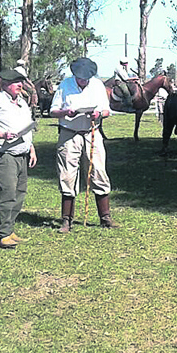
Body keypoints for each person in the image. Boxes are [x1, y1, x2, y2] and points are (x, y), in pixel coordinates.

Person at [50, 57, 116, 233]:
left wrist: (99, 114)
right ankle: (66, 220)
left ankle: (105, 217)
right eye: (80, 78)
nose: (83, 81)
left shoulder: (97, 86)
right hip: (69, 134)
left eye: (86, 78)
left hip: (92, 133)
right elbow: (52, 111)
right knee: (67, 174)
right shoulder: (64, 85)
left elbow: (107, 110)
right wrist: (66, 112)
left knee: (99, 171)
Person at [0, 69, 37, 248]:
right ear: (5, 84)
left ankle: (9, 229)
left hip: (22, 153)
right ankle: (3, 233)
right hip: (3, 155)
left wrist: (31, 148)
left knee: (20, 193)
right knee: (7, 193)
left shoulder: (22, 103)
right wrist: (3, 134)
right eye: (16, 82)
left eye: (21, 82)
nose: (20, 85)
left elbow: (27, 128)